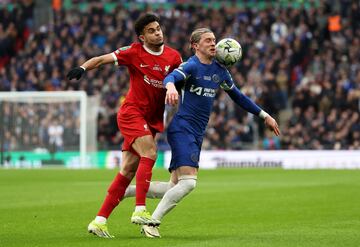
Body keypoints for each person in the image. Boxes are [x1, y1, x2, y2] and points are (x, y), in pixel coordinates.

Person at [137, 28, 280, 238]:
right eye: (208, 41)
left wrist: (264, 115)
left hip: (197, 133)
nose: (213, 44)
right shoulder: (192, 66)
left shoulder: (220, 71)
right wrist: (171, 88)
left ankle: (129, 191)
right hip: (182, 128)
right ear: (195, 45)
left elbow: (239, 97)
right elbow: (170, 77)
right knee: (189, 183)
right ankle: (151, 223)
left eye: (214, 40)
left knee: (173, 185)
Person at [66, 13, 182, 238]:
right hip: (132, 113)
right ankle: (140, 209)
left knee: (128, 170)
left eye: (158, 28)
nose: (158, 32)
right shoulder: (133, 52)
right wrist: (82, 67)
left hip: (152, 120)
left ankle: (99, 221)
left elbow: (180, 81)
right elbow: (101, 59)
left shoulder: (173, 57)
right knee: (150, 152)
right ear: (142, 37)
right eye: (151, 30)